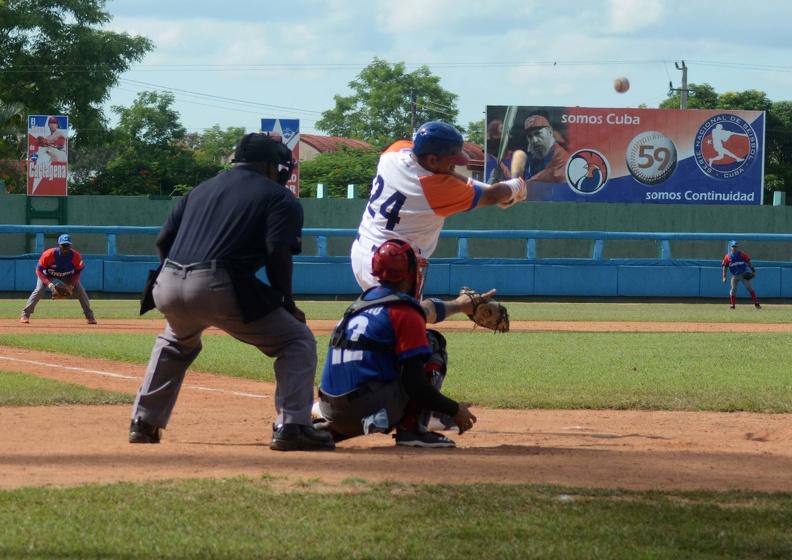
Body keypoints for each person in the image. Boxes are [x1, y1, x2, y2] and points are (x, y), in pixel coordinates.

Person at [128, 132, 335, 452]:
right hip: (216, 283)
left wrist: (170, 279)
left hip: (166, 283)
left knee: (174, 342)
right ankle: (293, 426)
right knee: (296, 340)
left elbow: (163, 241)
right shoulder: (279, 198)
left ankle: (143, 422)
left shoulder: (198, 190)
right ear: (270, 166)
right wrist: (287, 302)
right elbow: (277, 252)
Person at [351, 120, 526, 323]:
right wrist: (516, 186)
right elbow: (495, 195)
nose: (455, 165)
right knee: (405, 325)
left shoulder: (395, 151)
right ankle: (461, 305)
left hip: (363, 251)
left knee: (402, 319)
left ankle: (459, 306)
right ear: (432, 160)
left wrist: (487, 190)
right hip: (392, 265)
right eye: (451, 160)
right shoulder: (432, 187)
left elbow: (453, 179)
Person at [317, 239, 478, 448]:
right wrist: (453, 409)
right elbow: (415, 385)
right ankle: (413, 430)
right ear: (409, 274)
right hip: (365, 411)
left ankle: (333, 429)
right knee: (432, 341)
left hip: (329, 411)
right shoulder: (404, 311)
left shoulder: (357, 305)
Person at [20, 234, 96, 325]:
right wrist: (50, 284)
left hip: (67, 275)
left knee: (80, 290)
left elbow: (77, 272)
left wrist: (71, 285)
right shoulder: (49, 254)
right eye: (63, 245)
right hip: (48, 274)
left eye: (67, 245)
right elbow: (39, 270)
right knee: (39, 290)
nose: (65, 248)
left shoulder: (76, 256)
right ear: (59, 245)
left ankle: (90, 316)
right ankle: (25, 315)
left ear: (70, 246)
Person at [509, 114, 569, 183]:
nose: (534, 140)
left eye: (538, 133)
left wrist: (522, 185)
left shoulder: (561, 155)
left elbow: (550, 174)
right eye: (530, 136)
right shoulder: (534, 157)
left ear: (550, 132)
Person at [722, 240, 761, 309]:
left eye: (735, 246)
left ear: (737, 247)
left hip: (743, 274)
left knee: (749, 288)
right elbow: (725, 266)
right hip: (735, 276)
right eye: (733, 246)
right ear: (731, 247)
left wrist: (753, 270)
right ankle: (733, 305)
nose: (734, 247)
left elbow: (748, 261)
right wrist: (724, 277)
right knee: (733, 289)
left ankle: (756, 303)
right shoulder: (727, 256)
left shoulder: (742, 254)